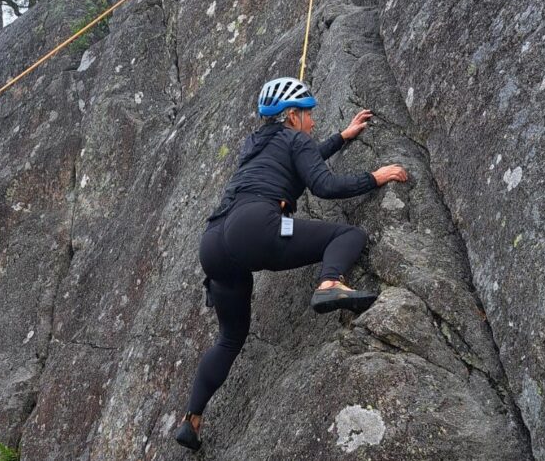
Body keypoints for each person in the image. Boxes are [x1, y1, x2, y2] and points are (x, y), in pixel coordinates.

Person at [174, 76, 409, 451]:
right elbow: (323, 185)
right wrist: (375, 177)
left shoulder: (255, 145)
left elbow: (303, 158)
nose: (313, 122)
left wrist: (342, 137)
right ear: (292, 116)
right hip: (256, 226)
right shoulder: (295, 138)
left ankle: (192, 419)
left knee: (230, 338)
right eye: (309, 114)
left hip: (214, 243)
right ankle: (330, 282)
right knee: (348, 236)